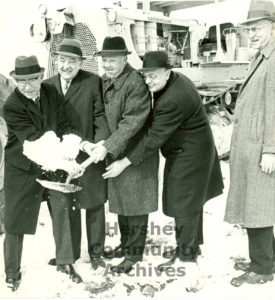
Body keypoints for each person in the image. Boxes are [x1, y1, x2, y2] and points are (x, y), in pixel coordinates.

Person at [103, 51, 224, 270]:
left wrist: (125, 162)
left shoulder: (173, 99)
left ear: (167, 72)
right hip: (190, 148)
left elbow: (153, 138)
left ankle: (187, 256)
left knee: (184, 202)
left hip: (191, 154)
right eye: (145, 76)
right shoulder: (174, 80)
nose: (148, 81)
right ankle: (190, 247)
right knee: (188, 200)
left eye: (153, 76)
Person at [3, 55, 84, 291]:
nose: (27, 86)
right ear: (15, 81)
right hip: (23, 166)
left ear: (40, 77)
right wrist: (65, 162)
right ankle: (11, 272)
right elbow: (34, 142)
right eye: (21, 81)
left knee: (62, 210)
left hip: (54, 161)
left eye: (32, 80)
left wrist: (71, 149)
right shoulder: (12, 106)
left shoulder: (50, 92)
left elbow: (65, 124)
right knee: (15, 220)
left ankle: (65, 262)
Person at [224, 1, 275, 287]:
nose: (252, 34)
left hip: (263, 148)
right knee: (255, 206)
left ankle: (262, 269)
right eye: (249, 29)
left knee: (258, 208)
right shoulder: (262, 57)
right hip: (253, 147)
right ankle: (265, 259)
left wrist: (273, 149)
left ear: (272, 27)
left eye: (258, 28)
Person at [93, 36, 159, 274]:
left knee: (137, 205)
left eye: (112, 60)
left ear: (124, 59)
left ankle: (134, 255)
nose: (107, 65)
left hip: (136, 154)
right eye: (104, 60)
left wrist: (106, 146)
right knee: (121, 202)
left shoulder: (135, 83)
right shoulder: (105, 80)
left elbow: (131, 123)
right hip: (116, 149)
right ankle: (125, 244)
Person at [44, 38, 110, 270]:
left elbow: (100, 116)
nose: (66, 66)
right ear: (56, 61)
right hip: (61, 158)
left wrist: (100, 143)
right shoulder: (47, 85)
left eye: (72, 61)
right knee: (65, 206)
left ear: (81, 63)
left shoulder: (92, 82)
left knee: (93, 204)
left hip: (88, 155)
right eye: (62, 60)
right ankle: (67, 255)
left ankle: (96, 255)